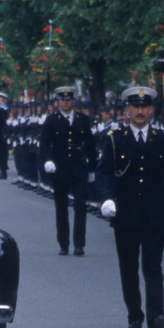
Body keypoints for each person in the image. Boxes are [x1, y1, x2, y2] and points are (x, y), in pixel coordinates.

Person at [96, 87, 164, 328]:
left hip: (155, 213)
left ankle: (156, 315)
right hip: (126, 214)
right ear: (127, 110)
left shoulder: (163, 139)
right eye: (135, 107)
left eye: (144, 107)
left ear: (151, 110)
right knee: (129, 266)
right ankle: (135, 314)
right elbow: (103, 173)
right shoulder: (114, 138)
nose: (140, 111)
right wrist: (106, 199)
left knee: (153, 265)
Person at [39, 86, 96, 256]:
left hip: (78, 168)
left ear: (73, 101)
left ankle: (79, 244)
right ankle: (63, 243)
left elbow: (90, 144)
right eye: (62, 100)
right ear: (58, 102)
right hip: (60, 167)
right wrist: (47, 160)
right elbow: (44, 143)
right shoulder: (51, 120)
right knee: (61, 207)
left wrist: (92, 168)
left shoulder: (82, 119)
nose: (65, 102)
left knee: (80, 205)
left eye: (68, 99)